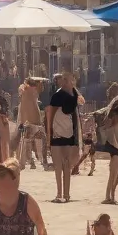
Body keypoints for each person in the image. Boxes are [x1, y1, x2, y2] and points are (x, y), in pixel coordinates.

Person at [45, 71, 81, 203]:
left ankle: (66, 194)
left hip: (69, 135)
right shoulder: (57, 95)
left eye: (69, 80)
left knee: (67, 166)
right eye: (64, 79)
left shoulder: (74, 96)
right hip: (56, 134)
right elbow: (50, 115)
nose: (66, 82)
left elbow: (77, 118)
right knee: (58, 166)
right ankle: (59, 193)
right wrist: (49, 135)